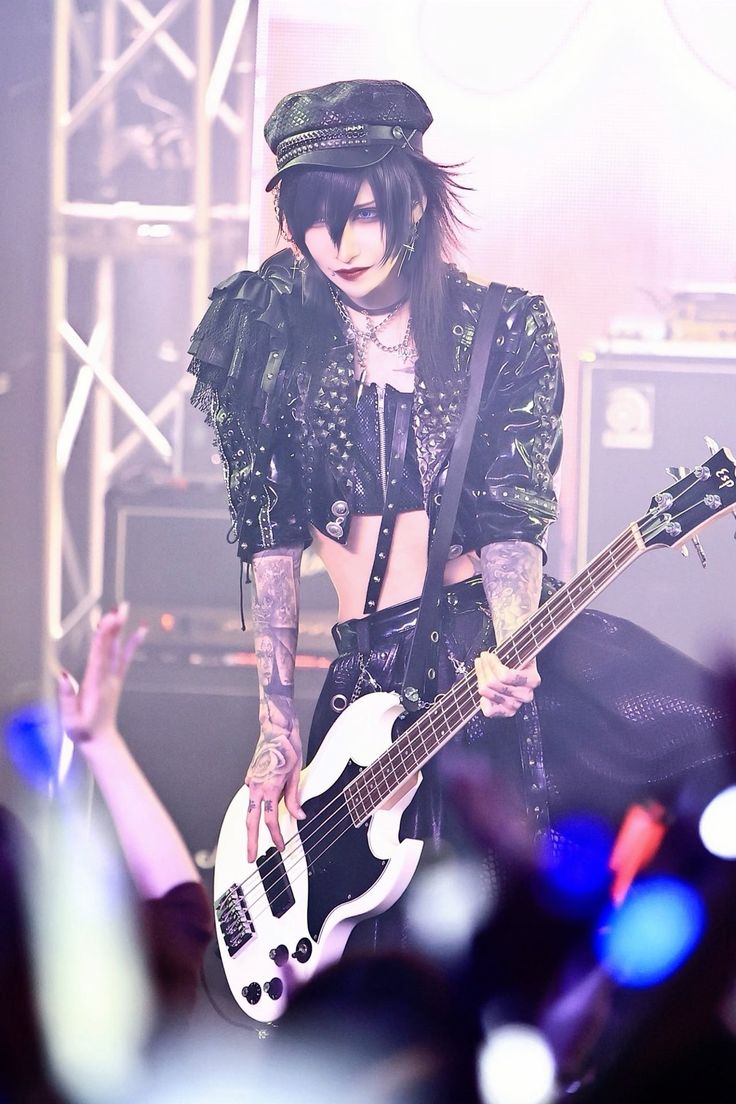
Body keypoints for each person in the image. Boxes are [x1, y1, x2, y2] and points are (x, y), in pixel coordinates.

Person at [188, 79, 732, 942]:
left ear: (410, 203)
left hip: (484, 652)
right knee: (367, 936)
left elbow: (512, 509)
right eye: (314, 219)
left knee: (528, 901)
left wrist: (513, 637)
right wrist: (276, 722)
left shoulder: (500, 326)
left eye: (363, 212)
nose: (339, 243)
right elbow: (270, 534)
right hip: (363, 676)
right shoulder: (265, 330)